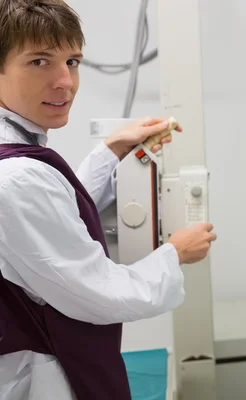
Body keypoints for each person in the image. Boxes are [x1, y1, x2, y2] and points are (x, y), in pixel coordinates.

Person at [0, 1, 217, 399]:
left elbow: (53, 217)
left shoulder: (17, 157)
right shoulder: (17, 178)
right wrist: (174, 253)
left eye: (73, 61)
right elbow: (96, 292)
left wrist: (111, 150)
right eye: (39, 62)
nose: (65, 81)